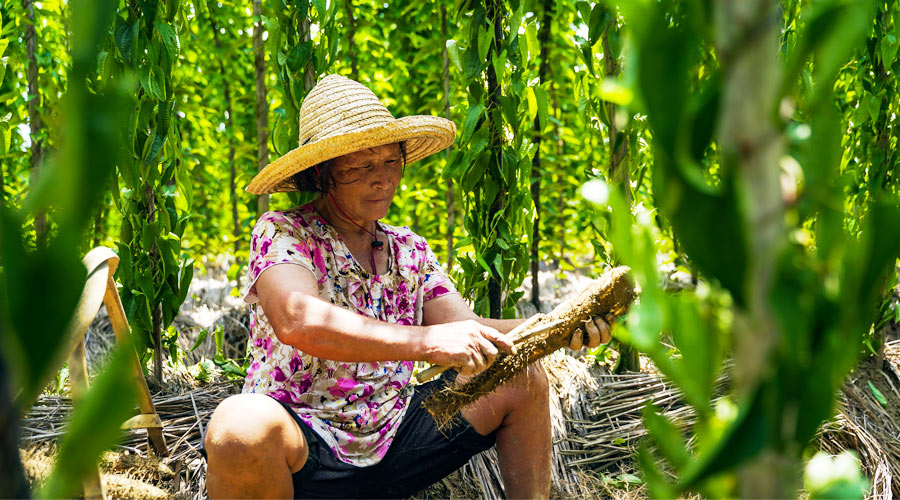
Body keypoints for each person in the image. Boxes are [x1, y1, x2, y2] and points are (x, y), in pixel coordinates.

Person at [202, 74, 611, 499]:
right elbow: (297, 320)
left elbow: (466, 327)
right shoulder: (284, 232)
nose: (382, 179)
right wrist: (425, 342)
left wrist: (560, 327)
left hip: (398, 438)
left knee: (520, 375)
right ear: (322, 174)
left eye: (390, 162)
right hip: (305, 446)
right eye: (361, 166)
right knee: (239, 428)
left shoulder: (408, 249)